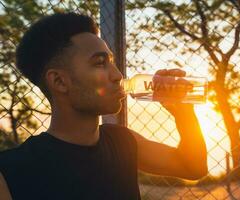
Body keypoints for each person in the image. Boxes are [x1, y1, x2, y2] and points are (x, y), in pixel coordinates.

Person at [0, 12, 207, 200]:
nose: (117, 75)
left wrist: (183, 112)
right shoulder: (11, 172)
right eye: (100, 63)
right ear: (59, 82)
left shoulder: (123, 141)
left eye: (111, 62)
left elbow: (193, 167)